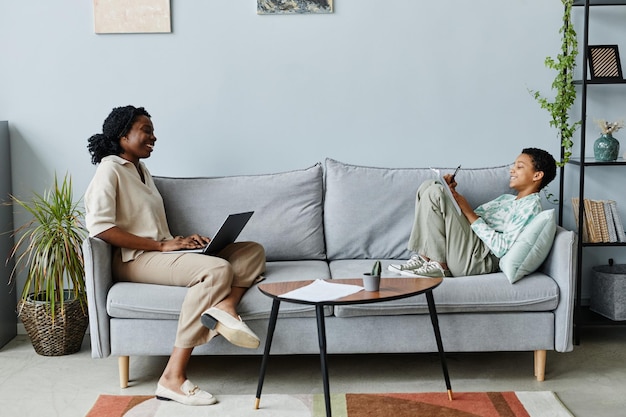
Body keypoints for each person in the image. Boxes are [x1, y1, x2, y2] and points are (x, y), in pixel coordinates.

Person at [85, 105, 266, 406]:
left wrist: (181, 241)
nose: (153, 137)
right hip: (134, 259)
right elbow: (100, 229)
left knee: (251, 251)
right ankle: (172, 377)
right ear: (123, 134)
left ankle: (226, 307)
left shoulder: (142, 170)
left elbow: (151, 226)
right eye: (146, 130)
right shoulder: (109, 169)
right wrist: (160, 246)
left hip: (159, 251)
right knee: (218, 270)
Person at [389, 148, 557, 278]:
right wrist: (451, 196)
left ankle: (439, 265)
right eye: (514, 166)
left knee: (436, 193)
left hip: (478, 259)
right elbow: (467, 222)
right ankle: (425, 258)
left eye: (520, 167)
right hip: (467, 246)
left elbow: (502, 248)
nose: (512, 170)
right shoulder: (507, 199)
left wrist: (467, 210)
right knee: (429, 185)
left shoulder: (531, 207)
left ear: (537, 175)